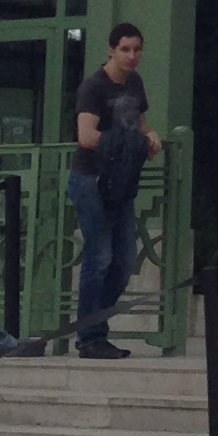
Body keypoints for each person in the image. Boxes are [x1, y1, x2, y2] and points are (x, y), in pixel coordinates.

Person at [72, 24, 157, 358]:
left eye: (137, 49)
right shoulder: (94, 87)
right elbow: (85, 135)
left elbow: (139, 123)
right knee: (100, 255)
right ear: (111, 50)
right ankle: (90, 334)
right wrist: (127, 144)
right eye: (125, 49)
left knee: (123, 260)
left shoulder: (135, 83)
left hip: (121, 181)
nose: (132, 56)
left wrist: (149, 138)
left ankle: (91, 326)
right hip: (91, 178)